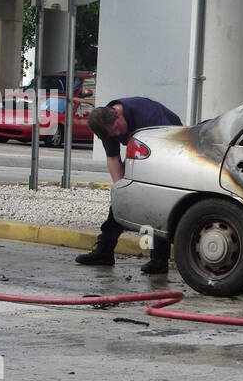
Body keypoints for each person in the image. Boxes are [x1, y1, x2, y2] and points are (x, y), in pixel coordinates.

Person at [76, 96, 183, 273]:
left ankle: (158, 259)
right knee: (122, 201)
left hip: (169, 150)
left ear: (117, 113)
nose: (118, 135)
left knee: (154, 205)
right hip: (141, 155)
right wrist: (123, 193)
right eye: (113, 134)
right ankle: (104, 251)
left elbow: (168, 148)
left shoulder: (148, 116)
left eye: (117, 129)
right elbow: (113, 158)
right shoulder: (107, 126)